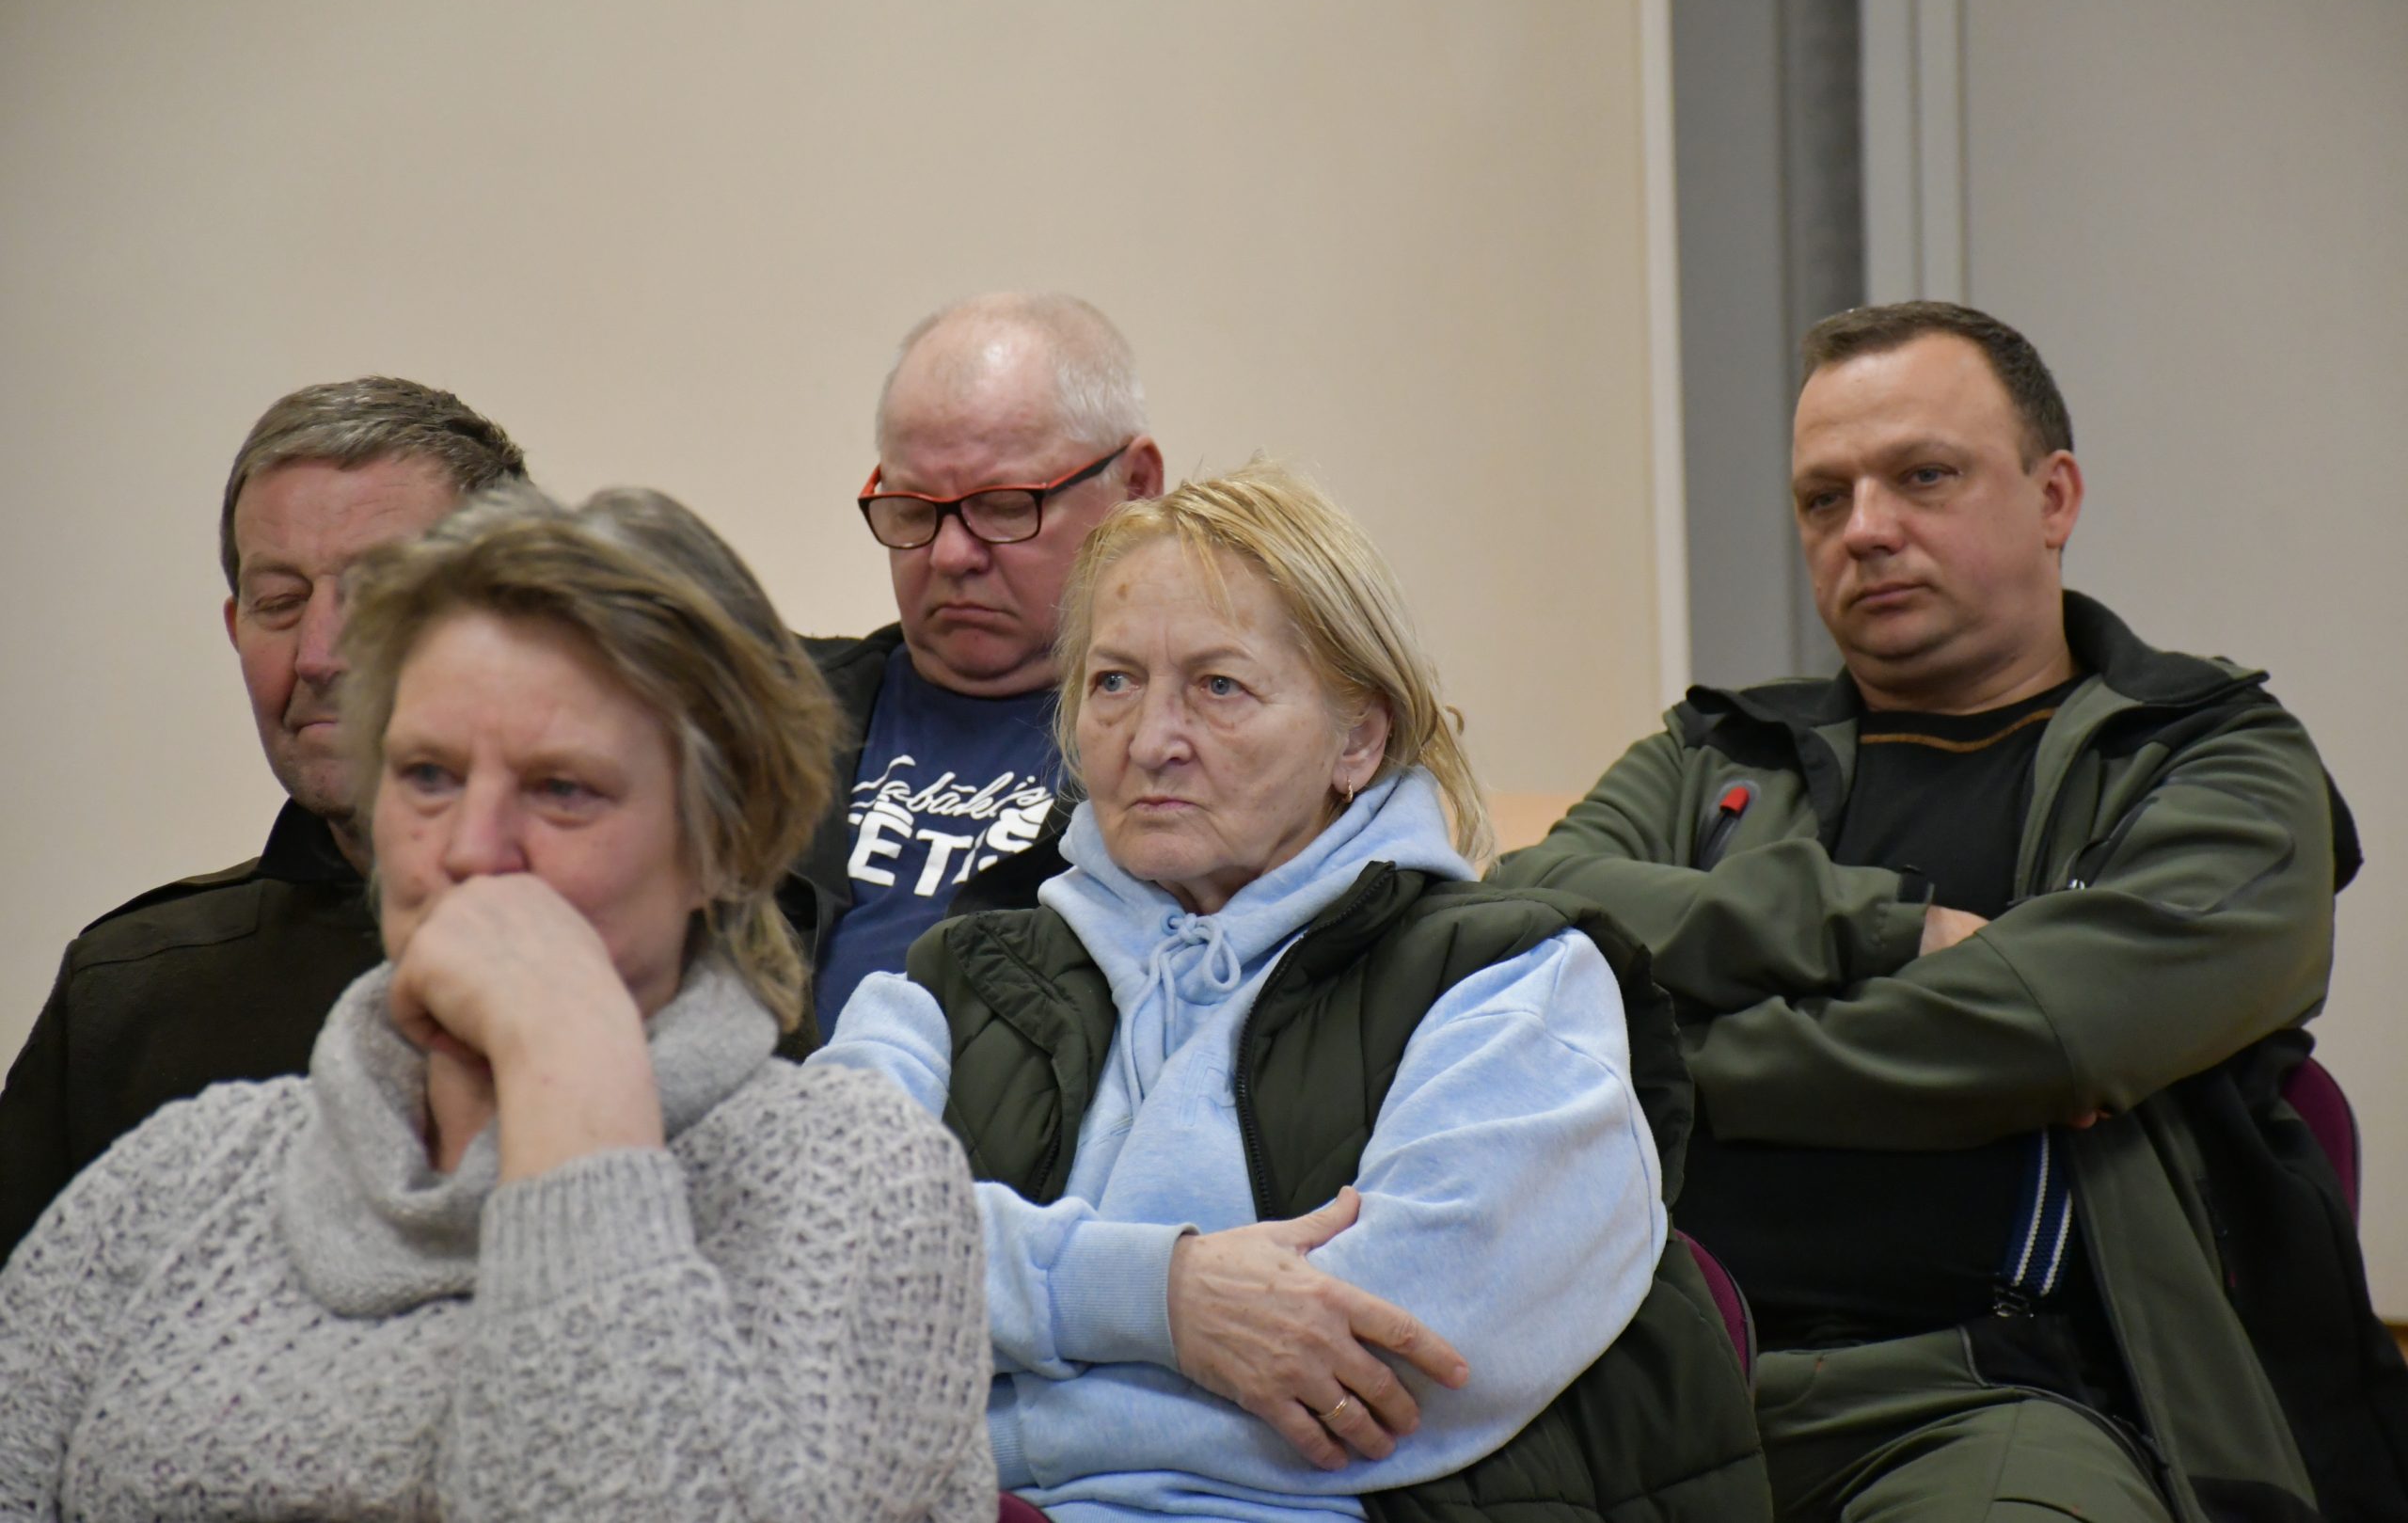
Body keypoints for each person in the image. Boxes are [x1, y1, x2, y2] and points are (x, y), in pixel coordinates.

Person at [1497, 301, 2395, 1521]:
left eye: (1923, 475)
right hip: (1652, 1382)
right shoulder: (1714, 753)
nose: (1866, 528)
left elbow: (2046, 1031)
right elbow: (1529, 909)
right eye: (1824, 497)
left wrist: (1662, 1056)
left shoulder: (2212, 758)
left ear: (2053, 496)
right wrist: (1883, 930)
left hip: (2006, 1393)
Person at [0, 484, 994, 1522]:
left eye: (562, 789)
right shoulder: (179, 1175)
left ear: (725, 845)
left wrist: (570, 1081)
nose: (471, 850)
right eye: (427, 775)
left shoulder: (850, 1178)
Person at [815, 462, 1766, 1521]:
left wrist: (981, 1396)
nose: (1152, 741)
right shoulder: (946, 981)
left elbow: (1375, 1375)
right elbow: (804, 1250)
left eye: (1219, 686)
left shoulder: (1512, 983)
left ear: (1357, 737)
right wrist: (1164, 1299)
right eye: (1113, 682)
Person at [0, 376, 529, 1261]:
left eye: (380, 593)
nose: (319, 654)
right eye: (279, 603)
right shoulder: (130, 992)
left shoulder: (694, 956)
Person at [789, 293, 1165, 1042]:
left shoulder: (1187, 753)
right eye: (913, 507)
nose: (951, 554)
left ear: (1135, 487)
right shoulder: (763, 710)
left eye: (1002, 505)